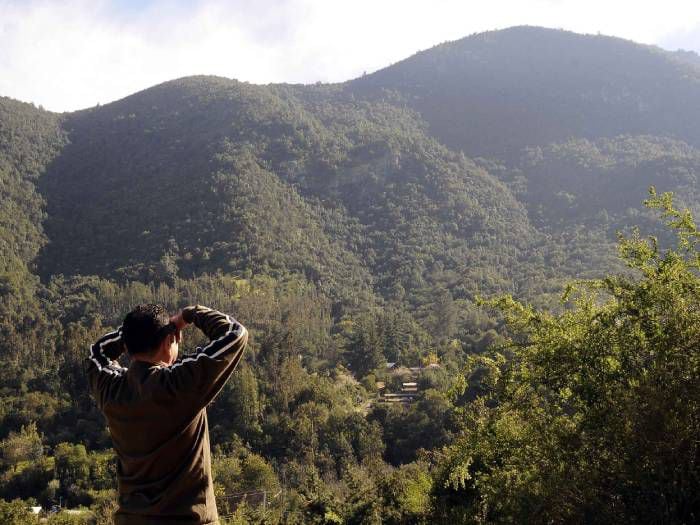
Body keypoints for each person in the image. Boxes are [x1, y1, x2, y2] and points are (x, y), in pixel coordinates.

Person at [86, 304, 248, 524]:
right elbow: (235, 333)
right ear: (167, 341)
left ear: (128, 344)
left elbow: (97, 352)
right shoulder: (178, 385)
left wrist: (134, 333)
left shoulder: (111, 389)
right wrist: (189, 314)